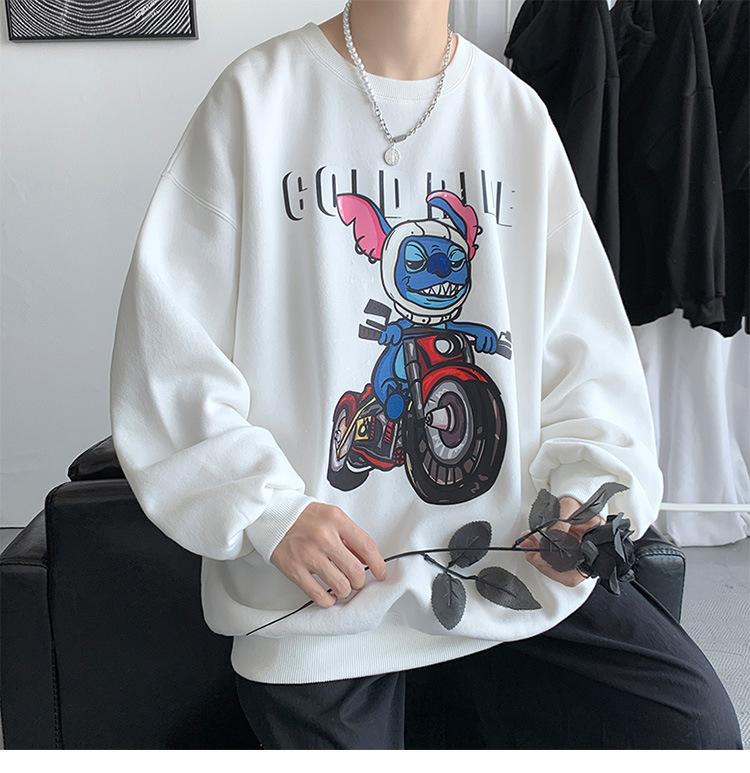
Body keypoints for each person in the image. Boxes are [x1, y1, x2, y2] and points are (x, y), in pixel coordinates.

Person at [108, 0, 743, 750]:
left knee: (695, 730)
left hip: (516, 572)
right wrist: (268, 513)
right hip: (321, 603)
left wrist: (586, 494)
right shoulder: (257, 98)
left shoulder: (514, 114)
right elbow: (169, 347)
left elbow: (585, 353)